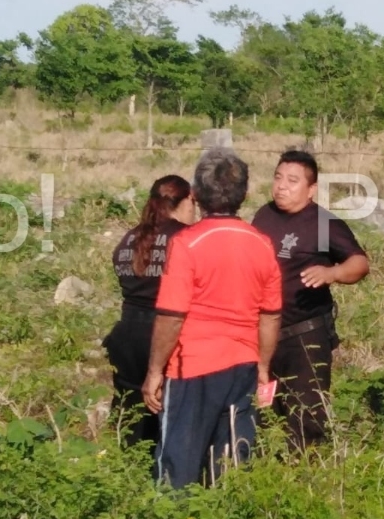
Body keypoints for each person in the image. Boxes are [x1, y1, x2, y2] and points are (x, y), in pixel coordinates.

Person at [141, 148, 283, 490]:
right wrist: (262, 366)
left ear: (198, 194)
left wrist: (154, 371)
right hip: (243, 365)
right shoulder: (262, 244)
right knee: (233, 464)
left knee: (178, 466)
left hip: (193, 367)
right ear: (244, 194)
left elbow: (172, 316)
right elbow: (270, 315)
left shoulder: (187, 243)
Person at [252, 149, 370, 449]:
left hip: (305, 335)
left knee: (306, 417)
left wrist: (333, 272)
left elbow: (360, 264)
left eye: (292, 181)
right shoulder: (264, 215)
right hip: (262, 333)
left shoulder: (322, 224)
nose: (281, 186)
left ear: (311, 189)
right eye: (278, 178)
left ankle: (306, 475)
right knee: (264, 414)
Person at [104, 174, 196, 450]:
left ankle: (127, 475)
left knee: (131, 416)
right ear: (187, 201)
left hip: (126, 336)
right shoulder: (184, 238)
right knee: (168, 416)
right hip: (164, 335)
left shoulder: (128, 238)